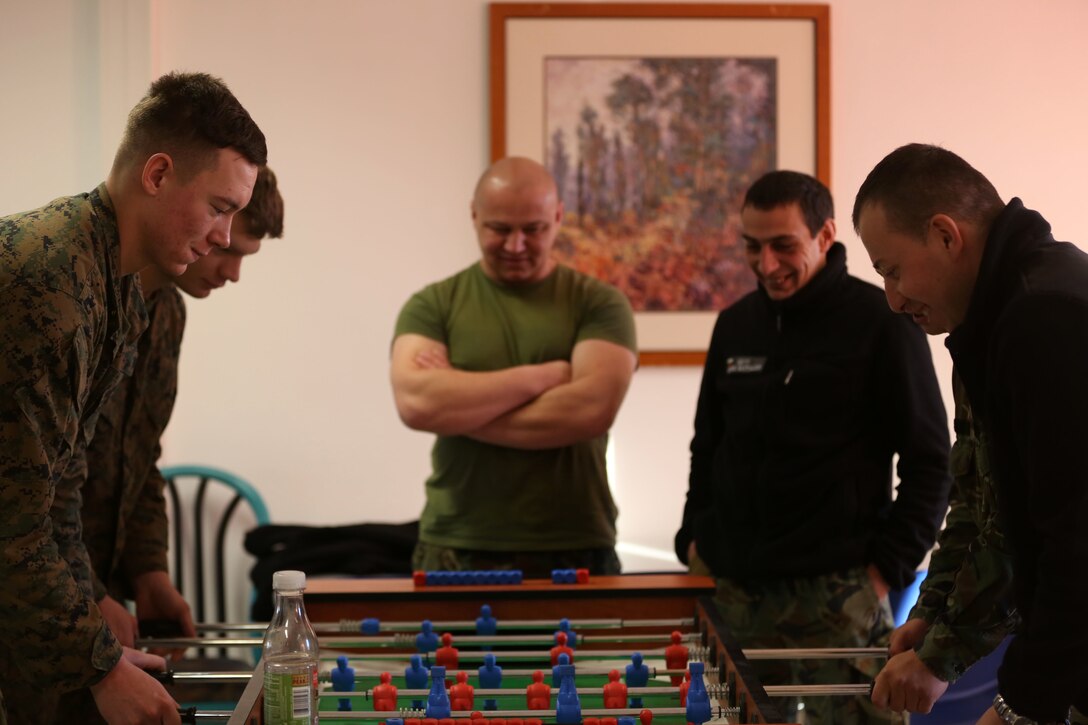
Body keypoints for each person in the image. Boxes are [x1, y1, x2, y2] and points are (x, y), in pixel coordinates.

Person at [0, 71, 266, 725]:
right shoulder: (49, 279)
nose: (224, 238)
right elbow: (12, 520)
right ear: (157, 175)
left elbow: (61, 487)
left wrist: (95, 611)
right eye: (220, 207)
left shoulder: (113, 283)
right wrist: (96, 662)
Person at [675, 170, 952, 724]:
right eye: (752, 247)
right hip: (732, 586)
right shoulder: (735, 325)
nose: (767, 264)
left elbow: (931, 462)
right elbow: (707, 446)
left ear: (824, 236)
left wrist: (884, 572)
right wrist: (692, 539)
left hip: (837, 594)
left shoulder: (882, 319)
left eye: (784, 246)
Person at [854, 143, 1088, 725]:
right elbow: (983, 505)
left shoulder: (1045, 318)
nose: (892, 298)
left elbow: (1076, 546)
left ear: (944, 234)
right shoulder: (986, 323)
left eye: (892, 270)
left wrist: (1019, 707)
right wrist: (933, 621)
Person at [51, 165, 284, 723]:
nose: (231, 269)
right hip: (48, 592)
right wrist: (88, 594)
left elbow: (141, 454)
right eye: (229, 246)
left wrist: (150, 571)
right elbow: (44, 483)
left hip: (99, 585)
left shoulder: (166, 311)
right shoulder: (78, 292)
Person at [390, 157, 637, 576]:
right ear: (474, 216)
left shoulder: (599, 303)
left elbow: (591, 410)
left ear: (558, 217)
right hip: (457, 544)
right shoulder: (432, 305)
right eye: (500, 229)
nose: (516, 245)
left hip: (576, 545)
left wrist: (458, 403)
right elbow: (418, 403)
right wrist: (542, 377)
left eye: (534, 229)